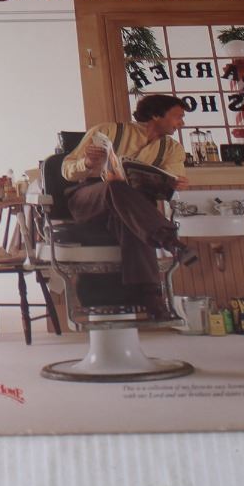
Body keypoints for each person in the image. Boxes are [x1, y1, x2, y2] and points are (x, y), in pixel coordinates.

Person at [59, 94, 199, 322]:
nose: (181, 123)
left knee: (131, 221)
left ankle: (152, 299)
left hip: (130, 207)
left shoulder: (172, 149)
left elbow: (169, 184)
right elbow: (66, 171)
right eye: (178, 117)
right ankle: (169, 241)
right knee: (115, 186)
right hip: (89, 200)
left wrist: (176, 184)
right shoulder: (107, 131)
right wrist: (87, 163)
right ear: (156, 115)